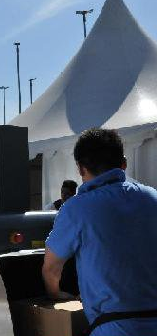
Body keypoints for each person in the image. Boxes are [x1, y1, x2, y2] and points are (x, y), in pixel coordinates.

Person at [42, 129, 157, 336]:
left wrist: (56, 294)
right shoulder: (152, 198)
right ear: (124, 163)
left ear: (80, 168)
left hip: (113, 327)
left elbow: (51, 268)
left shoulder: (75, 209)